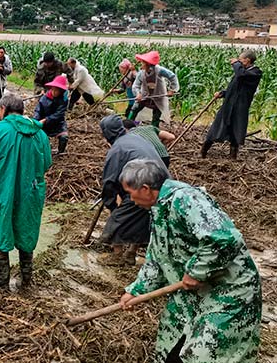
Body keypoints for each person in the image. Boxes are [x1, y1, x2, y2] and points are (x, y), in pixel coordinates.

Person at [118, 159, 261, 363]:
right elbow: (158, 259)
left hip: (227, 293)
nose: (131, 200)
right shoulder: (159, 209)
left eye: (130, 193)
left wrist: (196, 271)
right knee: (171, 350)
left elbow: (225, 238)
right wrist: (135, 291)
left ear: (145, 189)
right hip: (191, 297)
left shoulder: (185, 200)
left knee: (211, 354)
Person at [0, 94, 52, 290]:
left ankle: (1, 285)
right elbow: (46, 163)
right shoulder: (39, 134)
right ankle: (26, 282)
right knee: (26, 231)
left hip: (0, 190)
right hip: (30, 192)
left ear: (2, 109)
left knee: (0, 232)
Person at [97, 115, 168, 266]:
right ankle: (131, 254)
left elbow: (109, 183)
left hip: (145, 185)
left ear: (107, 133)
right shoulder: (135, 138)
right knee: (143, 218)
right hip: (162, 184)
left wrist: (111, 206)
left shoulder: (117, 149)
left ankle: (117, 257)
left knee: (118, 219)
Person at [201, 50, 263, 160]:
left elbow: (241, 75)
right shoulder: (242, 72)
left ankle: (232, 157)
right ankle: (203, 151)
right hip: (228, 106)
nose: (238, 62)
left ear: (247, 60)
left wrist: (235, 63)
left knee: (236, 131)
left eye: (240, 59)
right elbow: (234, 89)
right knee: (216, 129)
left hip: (240, 107)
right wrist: (223, 93)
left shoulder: (255, 72)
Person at [129, 50, 179, 128]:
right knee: (135, 108)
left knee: (156, 115)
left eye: (142, 63)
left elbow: (172, 76)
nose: (141, 64)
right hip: (145, 95)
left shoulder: (159, 70)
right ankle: (128, 125)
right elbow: (136, 85)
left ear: (147, 64)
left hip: (158, 95)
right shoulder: (141, 73)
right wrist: (138, 94)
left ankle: (154, 130)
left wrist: (172, 90)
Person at [33, 75, 69, 154]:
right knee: (39, 136)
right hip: (44, 123)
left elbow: (59, 114)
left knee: (64, 137)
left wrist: (46, 120)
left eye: (57, 90)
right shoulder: (44, 98)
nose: (54, 92)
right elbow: (38, 110)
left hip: (58, 123)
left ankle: (60, 152)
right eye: (53, 89)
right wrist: (36, 120)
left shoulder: (64, 100)